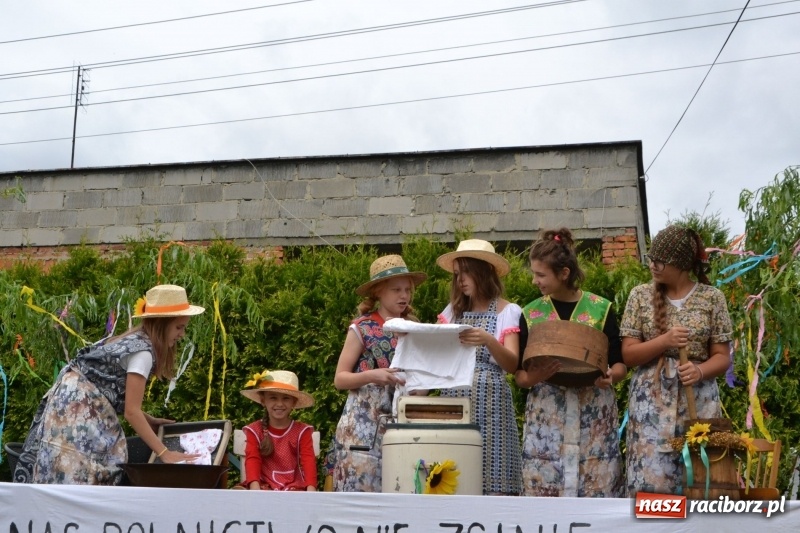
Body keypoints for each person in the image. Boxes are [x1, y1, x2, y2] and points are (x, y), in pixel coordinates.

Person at [13, 284, 205, 485]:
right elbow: (132, 411)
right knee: (80, 471)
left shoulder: (135, 340)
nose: (182, 334)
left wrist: (149, 419)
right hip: (77, 409)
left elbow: (109, 388)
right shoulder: (143, 353)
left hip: (69, 402)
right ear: (161, 324)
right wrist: (164, 453)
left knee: (63, 469)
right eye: (179, 327)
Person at [620, 224, 733, 495]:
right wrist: (665, 341)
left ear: (682, 264)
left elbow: (722, 357)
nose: (653, 265)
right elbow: (628, 354)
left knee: (701, 483)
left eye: (661, 261)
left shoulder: (712, 298)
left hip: (699, 402)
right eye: (652, 258)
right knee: (652, 487)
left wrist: (700, 371)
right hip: (652, 405)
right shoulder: (639, 295)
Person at [515, 228, 626, 497]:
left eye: (541, 275)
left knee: (596, 489)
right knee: (545, 492)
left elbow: (620, 364)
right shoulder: (530, 314)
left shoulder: (601, 309)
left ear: (564, 273)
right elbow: (520, 376)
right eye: (534, 273)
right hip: (547, 416)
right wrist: (534, 376)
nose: (534, 281)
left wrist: (611, 376)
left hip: (594, 412)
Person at [331, 254, 427, 492]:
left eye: (407, 289)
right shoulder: (362, 328)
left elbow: (419, 379)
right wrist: (373, 375)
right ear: (378, 293)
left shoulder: (415, 329)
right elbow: (340, 379)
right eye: (396, 290)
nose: (404, 295)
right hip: (362, 429)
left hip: (401, 426)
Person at [435, 239, 523, 496]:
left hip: (492, 400)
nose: (461, 280)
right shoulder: (453, 311)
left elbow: (512, 363)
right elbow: (435, 351)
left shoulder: (507, 311)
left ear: (484, 272)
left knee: (492, 465)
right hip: (454, 396)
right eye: (457, 274)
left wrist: (488, 340)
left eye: (467, 272)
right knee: (454, 467)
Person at [237, 369, 317, 491]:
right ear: (263, 401)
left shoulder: (302, 431)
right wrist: (255, 490)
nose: (279, 404)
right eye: (273, 398)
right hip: (263, 487)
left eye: (286, 398)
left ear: (293, 402)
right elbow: (252, 459)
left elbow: (308, 459)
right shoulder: (255, 430)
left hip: (293, 487)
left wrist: (311, 491)